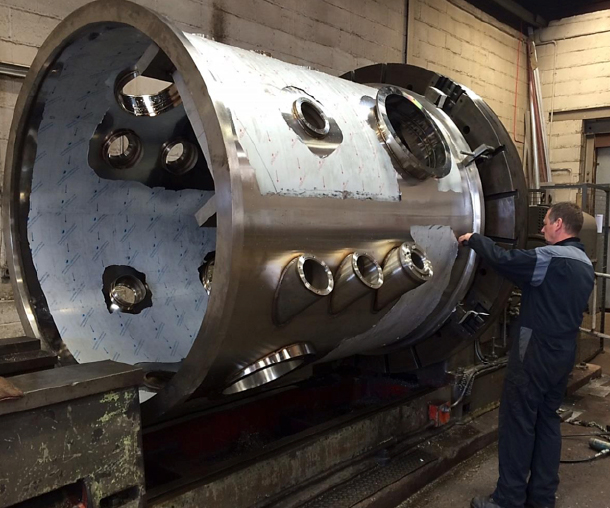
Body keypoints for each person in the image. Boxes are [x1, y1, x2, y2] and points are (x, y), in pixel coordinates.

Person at [458, 202, 595, 508]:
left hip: (534, 351)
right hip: (564, 352)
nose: (541, 228)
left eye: (545, 223)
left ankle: (508, 499)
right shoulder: (585, 263)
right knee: (547, 420)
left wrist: (474, 239)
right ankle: (542, 497)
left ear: (559, 224)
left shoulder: (549, 257)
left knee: (518, 422)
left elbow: (505, 260)